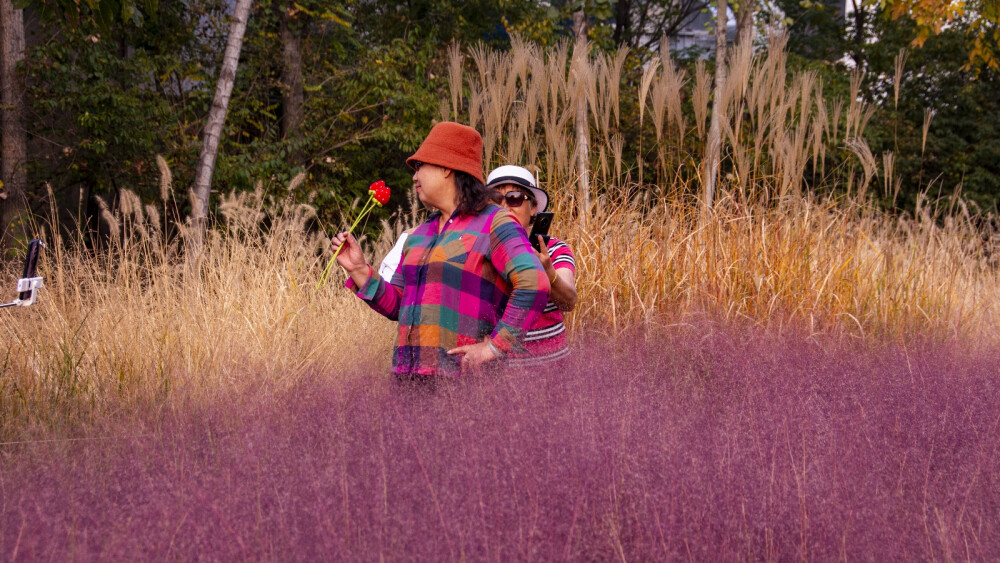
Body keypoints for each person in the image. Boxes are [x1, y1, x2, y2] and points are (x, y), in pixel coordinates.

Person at [331, 122, 550, 380]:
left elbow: (534, 283)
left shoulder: (495, 223)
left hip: (463, 387)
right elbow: (400, 306)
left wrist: (494, 347)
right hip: (408, 382)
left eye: (420, 166)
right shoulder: (419, 236)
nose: (414, 176)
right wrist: (359, 270)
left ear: (447, 168)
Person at [485, 165, 577, 366]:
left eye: (515, 198)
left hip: (553, 372)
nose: (505, 208)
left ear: (533, 207)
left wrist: (547, 272)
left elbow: (569, 302)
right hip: (499, 377)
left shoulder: (553, 249)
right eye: (495, 199)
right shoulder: (479, 251)